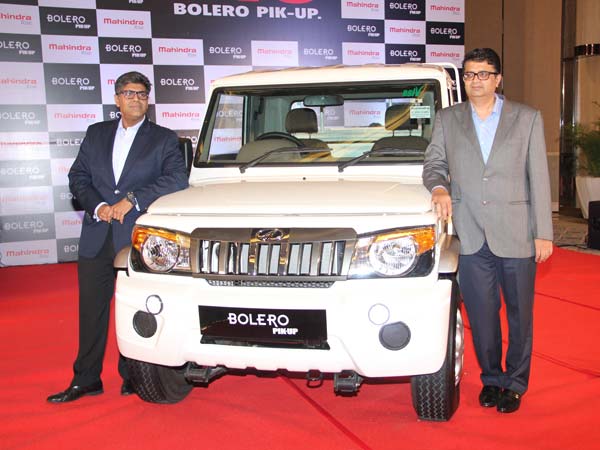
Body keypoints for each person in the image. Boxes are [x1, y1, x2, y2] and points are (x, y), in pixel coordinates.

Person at [422, 48, 553, 414]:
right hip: (469, 233)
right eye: (469, 74)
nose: (475, 81)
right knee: (481, 315)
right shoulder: (448, 119)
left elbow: (538, 178)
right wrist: (439, 187)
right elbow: (433, 163)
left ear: (498, 79)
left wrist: (543, 232)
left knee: (520, 315)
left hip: (517, 232)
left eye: (483, 74)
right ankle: (492, 378)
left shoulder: (527, 118)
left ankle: (516, 383)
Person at [47, 71, 189, 403]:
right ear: (117, 99)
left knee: (137, 308)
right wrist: (98, 206)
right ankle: (86, 379)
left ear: (147, 100)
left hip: (137, 237)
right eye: (129, 93)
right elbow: (78, 177)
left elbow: (176, 179)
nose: (135, 99)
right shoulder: (96, 134)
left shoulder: (164, 138)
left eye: (142, 94)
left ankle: (132, 376)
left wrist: (132, 200)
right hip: (97, 234)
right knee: (91, 310)